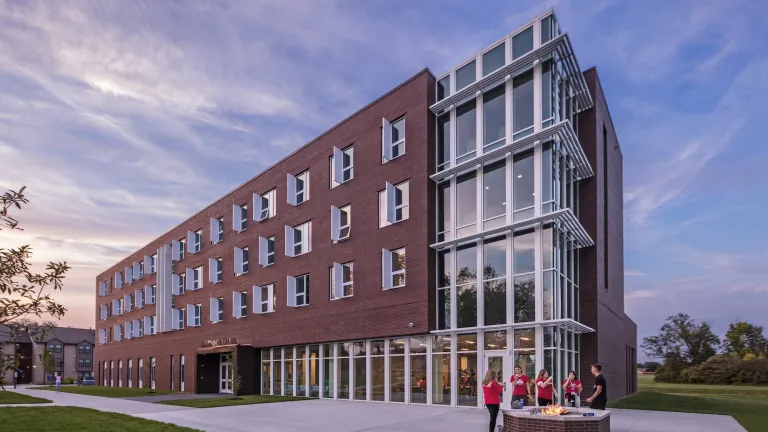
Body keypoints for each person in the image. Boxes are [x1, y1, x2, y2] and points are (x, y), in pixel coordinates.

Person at [482, 368, 503, 432]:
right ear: (494, 374)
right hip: (494, 402)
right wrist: (501, 386)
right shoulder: (494, 382)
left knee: (492, 418)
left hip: (488, 402)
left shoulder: (484, 382)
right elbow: (498, 391)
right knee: (493, 419)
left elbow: (487, 391)